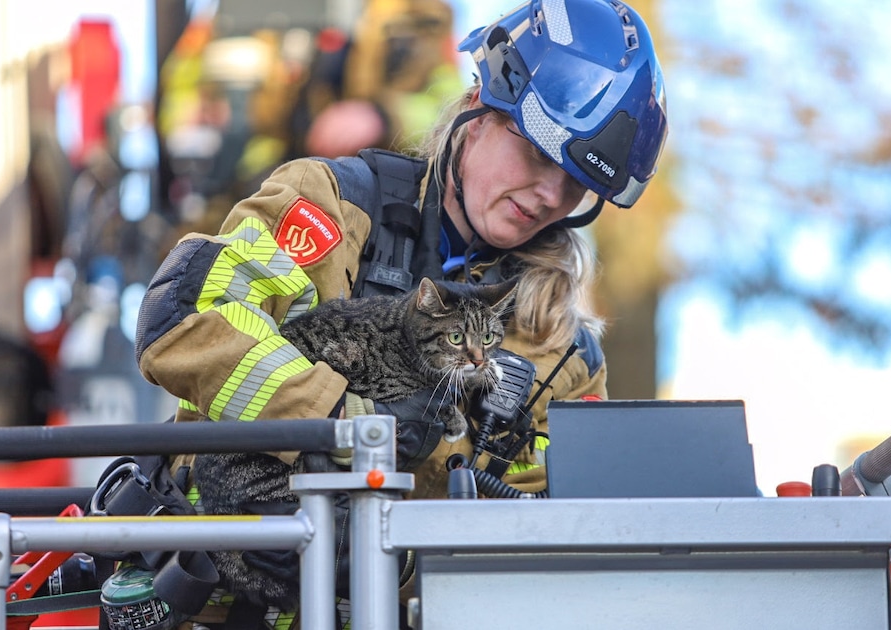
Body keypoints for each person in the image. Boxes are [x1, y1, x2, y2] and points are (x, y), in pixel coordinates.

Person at [132, 0, 667, 624]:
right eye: (540, 155)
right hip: (211, 601)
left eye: (577, 183)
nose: (551, 195)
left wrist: (406, 565)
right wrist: (346, 421)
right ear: (478, 108)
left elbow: (555, 546)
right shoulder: (332, 208)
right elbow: (188, 319)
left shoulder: (561, 352)